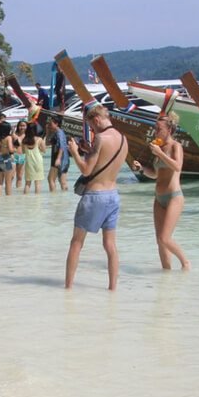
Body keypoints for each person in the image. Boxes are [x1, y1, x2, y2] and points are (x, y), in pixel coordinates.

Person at [65, 103, 127, 290]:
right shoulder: (123, 139)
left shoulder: (101, 138)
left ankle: (68, 288)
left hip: (95, 196)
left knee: (76, 242)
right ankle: (112, 288)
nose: (92, 130)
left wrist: (75, 152)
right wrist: (88, 151)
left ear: (97, 120)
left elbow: (86, 170)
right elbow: (104, 163)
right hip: (113, 195)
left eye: (91, 126)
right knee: (110, 244)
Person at [131, 114, 190, 271]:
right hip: (159, 198)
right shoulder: (158, 148)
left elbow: (177, 166)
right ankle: (166, 275)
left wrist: (160, 153)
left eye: (158, 129)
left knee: (165, 238)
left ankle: (185, 263)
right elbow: (155, 174)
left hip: (174, 197)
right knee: (159, 240)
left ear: (169, 129)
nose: (155, 132)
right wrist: (142, 169)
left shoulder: (175, 146)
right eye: (155, 128)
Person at [0, 120, 16, 196]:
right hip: (5, 159)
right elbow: (11, 149)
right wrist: (14, 149)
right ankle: (8, 202)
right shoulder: (8, 138)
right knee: (8, 183)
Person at [46, 117, 70, 192]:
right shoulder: (55, 133)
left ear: (56, 124)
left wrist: (58, 159)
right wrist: (47, 131)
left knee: (51, 179)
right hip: (60, 159)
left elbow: (62, 146)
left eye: (50, 124)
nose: (49, 125)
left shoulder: (59, 133)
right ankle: (61, 200)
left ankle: (53, 197)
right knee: (62, 181)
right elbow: (47, 143)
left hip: (60, 159)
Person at [22, 122, 46, 194]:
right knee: (38, 182)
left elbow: (23, 152)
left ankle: (26, 199)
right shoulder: (39, 139)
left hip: (29, 162)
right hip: (38, 161)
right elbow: (44, 150)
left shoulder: (24, 140)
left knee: (27, 183)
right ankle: (37, 201)